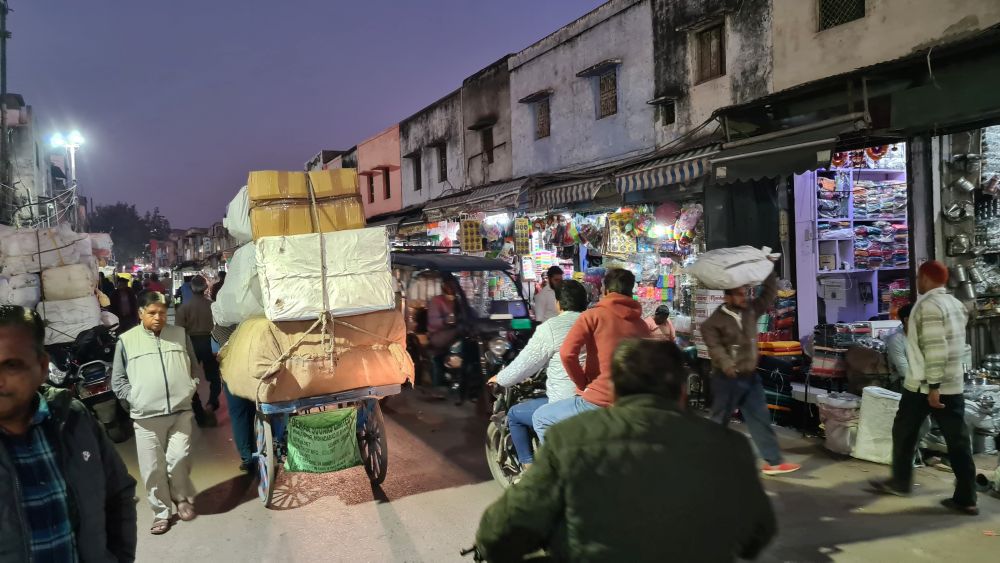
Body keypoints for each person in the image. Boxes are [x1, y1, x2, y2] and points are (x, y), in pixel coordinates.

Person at [476, 338, 777, 562]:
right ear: (683, 390)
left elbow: (500, 530)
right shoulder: (730, 447)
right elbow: (757, 535)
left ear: (615, 391)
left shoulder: (568, 438)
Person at [0, 305, 138, 562]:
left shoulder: (73, 419)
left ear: (42, 367)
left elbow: (118, 492)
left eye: (11, 365)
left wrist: (119, 557)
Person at [870, 261, 978, 515]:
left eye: (919, 277)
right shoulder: (955, 304)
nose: (917, 281)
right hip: (952, 383)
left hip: (925, 386)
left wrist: (933, 386)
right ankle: (967, 497)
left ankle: (901, 482)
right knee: (958, 441)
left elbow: (935, 348)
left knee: (904, 431)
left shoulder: (929, 306)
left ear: (926, 279)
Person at [112, 291, 202, 535]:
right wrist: (135, 399)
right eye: (152, 313)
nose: (158, 317)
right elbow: (118, 380)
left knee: (180, 458)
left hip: (180, 411)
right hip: (146, 417)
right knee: (153, 468)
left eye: (162, 312)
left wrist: (190, 387)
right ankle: (161, 512)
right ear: (140, 313)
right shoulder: (126, 341)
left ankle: (181, 498)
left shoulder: (180, 335)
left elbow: (193, 366)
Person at [701, 264, 801, 476]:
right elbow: (715, 349)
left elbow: (768, 294)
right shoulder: (712, 323)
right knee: (719, 421)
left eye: (744, 292)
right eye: (739, 294)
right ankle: (705, 458)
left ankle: (773, 462)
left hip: (750, 376)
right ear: (727, 297)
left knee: (759, 418)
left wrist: (768, 271)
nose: (743, 296)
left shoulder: (750, 311)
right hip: (726, 379)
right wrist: (728, 364)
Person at [532, 268, 648, 442]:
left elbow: (567, 353)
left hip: (598, 401)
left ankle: (560, 468)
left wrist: (582, 382)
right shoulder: (642, 325)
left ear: (605, 290)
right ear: (630, 291)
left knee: (540, 417)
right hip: (631, 403)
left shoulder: (592, 316)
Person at [490, 279, 588, 467]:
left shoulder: (551, 328)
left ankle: (529, 469)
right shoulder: (595, 323)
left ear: (558, 303)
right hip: (594, 400)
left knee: (514, 415)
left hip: (566, 402)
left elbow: (525, 365)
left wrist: (500, 378)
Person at [175, 275, 221, 427]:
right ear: (205, 288)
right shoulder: (213, 306)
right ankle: (212, 404)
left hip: (191, 344)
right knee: (214, 377)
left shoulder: (184, 308)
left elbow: (179, 331)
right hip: (211, 342)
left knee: (191, 378)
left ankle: (199, 411)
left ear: (191, 288)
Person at [213, 323, 256, 473]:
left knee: (239, 415)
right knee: (256, 411)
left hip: (231, 375)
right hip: (254, 372)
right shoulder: (252, 323)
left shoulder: (218, 328)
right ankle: (263, 447)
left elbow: (214, 352)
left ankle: (247, 457)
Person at [886, 303, 914, 385]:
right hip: (902, 384)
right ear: (906, 320)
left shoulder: (922, 336)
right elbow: (904, 371)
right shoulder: (896, 340)